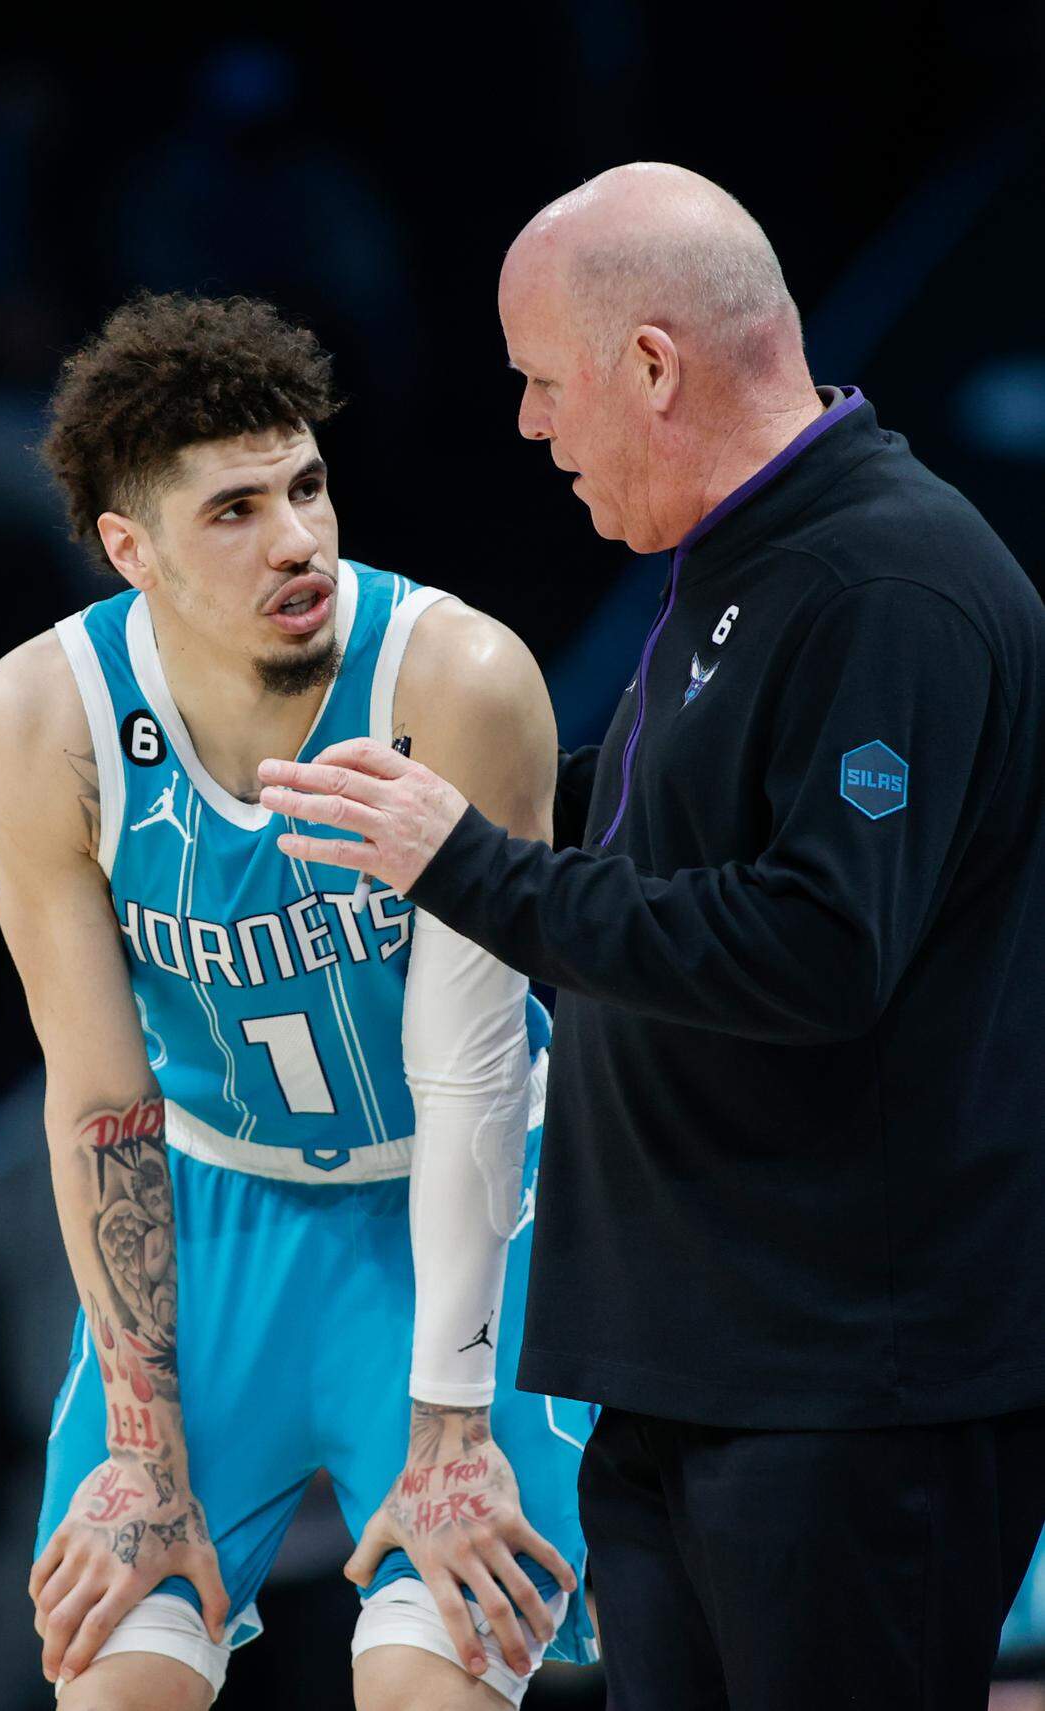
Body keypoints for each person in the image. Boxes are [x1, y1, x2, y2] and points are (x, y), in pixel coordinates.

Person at [258, 164, 1045, 1709]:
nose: (535, 427)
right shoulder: (740, 565)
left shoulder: (888, 580)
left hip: (848, 1389)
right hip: (698, 1368)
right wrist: (411, 816)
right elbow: (635, 848)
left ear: (653, 365)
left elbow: (818, 948)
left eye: (545, 384)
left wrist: (471, 867)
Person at [0, 291, 595, 1711]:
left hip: (462, 1213)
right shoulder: (43, 719)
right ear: (130, 548)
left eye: (306, 485)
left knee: (432, 1679)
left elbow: (475, 1076)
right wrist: (140, 1443)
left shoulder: (462, 680)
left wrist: (450, 1433)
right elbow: (100, 1095)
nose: (300, 538)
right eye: (235, 511)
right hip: (209, 1217)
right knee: (113, 1674)